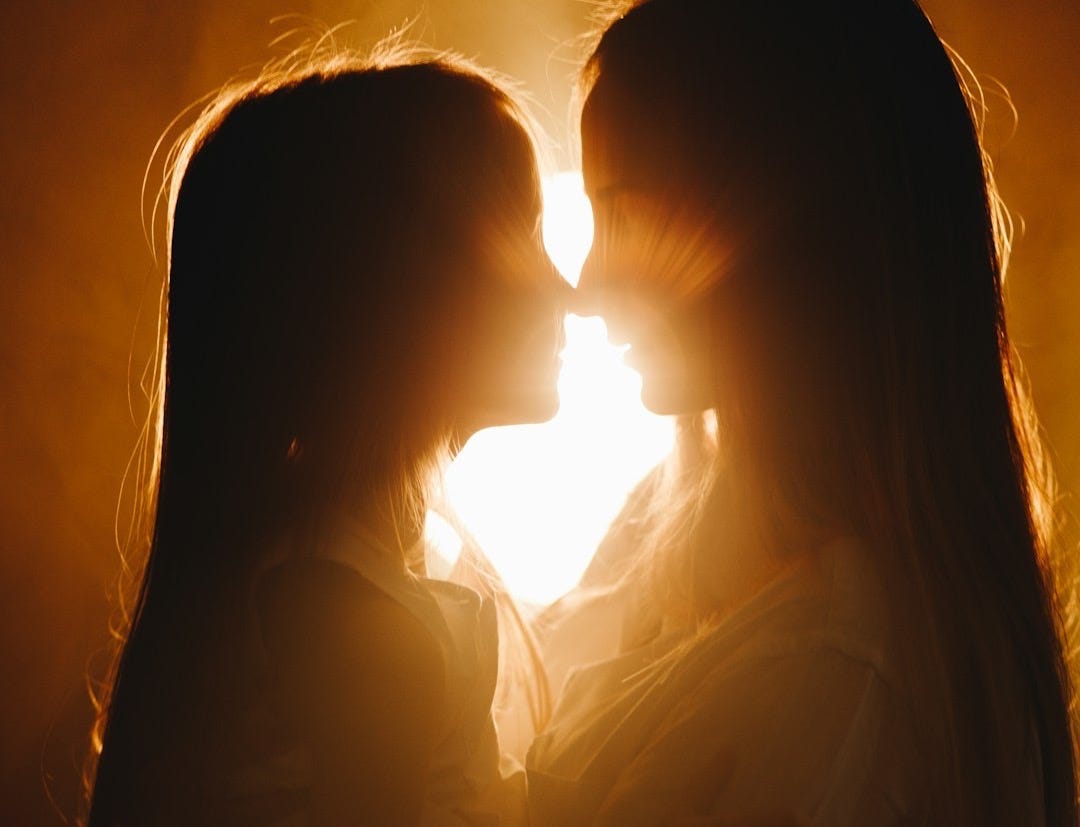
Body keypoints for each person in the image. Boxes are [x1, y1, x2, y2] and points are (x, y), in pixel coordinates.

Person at [527, 1, 1078, 824]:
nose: (587, 284)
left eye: (629, 213)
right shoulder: (686, 535)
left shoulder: (839, 669)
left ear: (791, 234)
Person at [86, 45, 565, 826]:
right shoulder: (359, 632)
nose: (563, 288)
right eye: (522, 236)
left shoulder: (306, 590)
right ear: (396, 293)